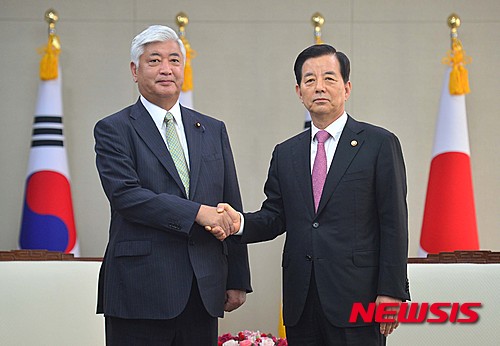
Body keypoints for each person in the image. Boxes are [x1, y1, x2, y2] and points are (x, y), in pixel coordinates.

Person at [216, 44, 410, 345]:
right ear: (299, 91)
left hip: (359, 300)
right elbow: (275, 217)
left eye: (329, 79)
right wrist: (238, 222)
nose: (319, 87)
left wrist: (392, 290)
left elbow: (394, 223)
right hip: (301, 301)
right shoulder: (286, 153)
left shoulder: (379, 144)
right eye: (310, 80)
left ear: (346, 88)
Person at [94, 25, 252, 346]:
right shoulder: (114, 129)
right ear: (134, 71)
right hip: (140, 291)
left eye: (174, 60)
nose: (166, 69)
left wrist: (237, 278)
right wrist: (197, 213)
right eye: (154, 60)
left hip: (203, 289)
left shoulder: (212, 128)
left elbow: (229, 204)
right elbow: (127, 197)